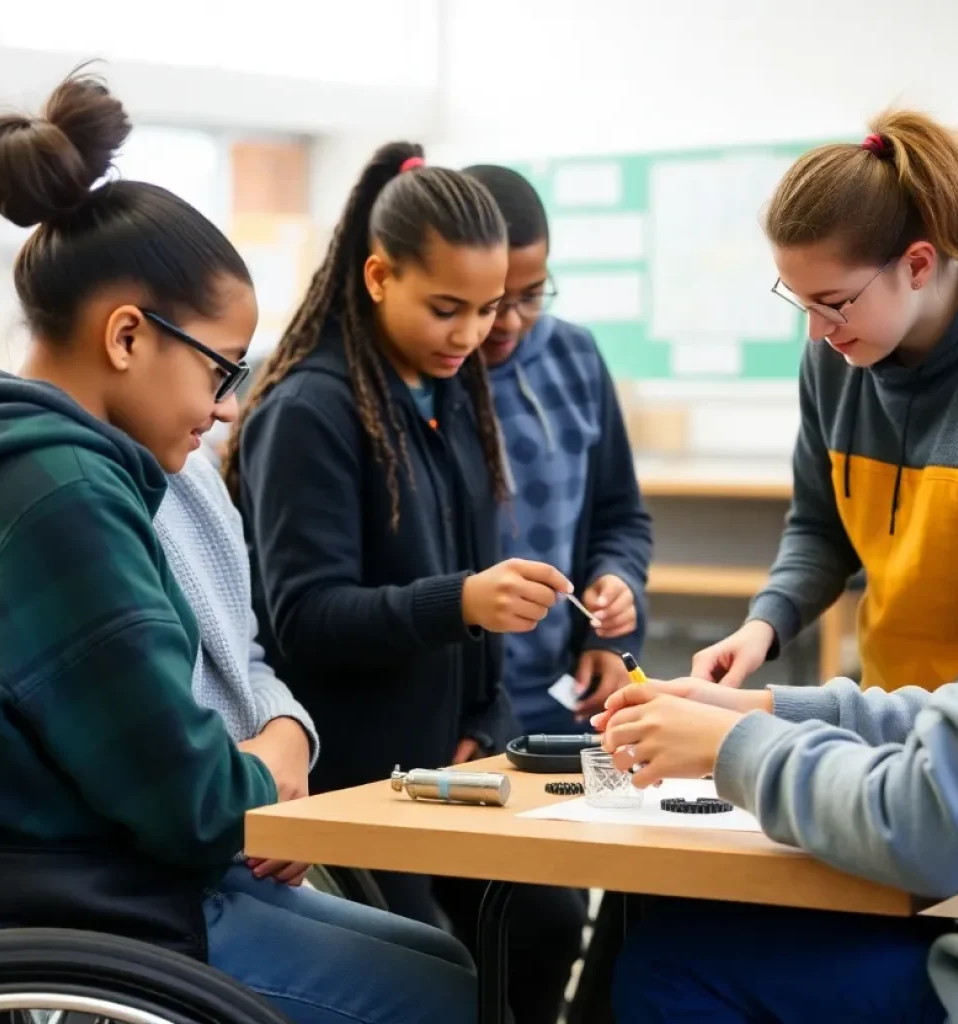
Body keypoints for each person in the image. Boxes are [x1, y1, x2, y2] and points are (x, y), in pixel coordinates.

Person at [0, 72, 475, 1024]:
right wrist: (270, 765)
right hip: (87, 902)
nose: (225, 407)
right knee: (440, 991)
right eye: (219, 368)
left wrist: (268, 749)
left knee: (441, 954)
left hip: (86, 872)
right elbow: (197, 805)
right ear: (128, 335)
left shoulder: (46, 460)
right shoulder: (67, 495)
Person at [224, 143, 586, 1024]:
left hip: (449, 762)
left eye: (490, 309)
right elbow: (305, 618)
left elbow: (465, 577)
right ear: (379, 276)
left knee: (548, 920)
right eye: (447, 308)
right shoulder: (310, 411)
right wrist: (461, 601)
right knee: (434, 973)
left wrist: (479, 720)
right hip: (354, 775)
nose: (473, 335)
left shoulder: (445, 388)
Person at [589, 278, 958, 1024]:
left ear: (915, 267)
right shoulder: (833, 367)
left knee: (669, 964)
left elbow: (929, 818)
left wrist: (735, 744)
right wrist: (769, 703)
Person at [692, 111, 958, 692]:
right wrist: (764, 624)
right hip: (888, 714)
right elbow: (820, 528)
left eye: (833, 302)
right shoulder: (837, 356)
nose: (816, 331)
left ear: (917, 265)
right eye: (801, 302)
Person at [464, 164, 652, 733]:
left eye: (532, 294)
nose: (512, 322)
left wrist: (610, 609)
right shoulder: (434, 374)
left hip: (562, 695)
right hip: (458, 711)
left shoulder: (575, 355)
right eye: (494, 301)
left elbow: (620, 516)